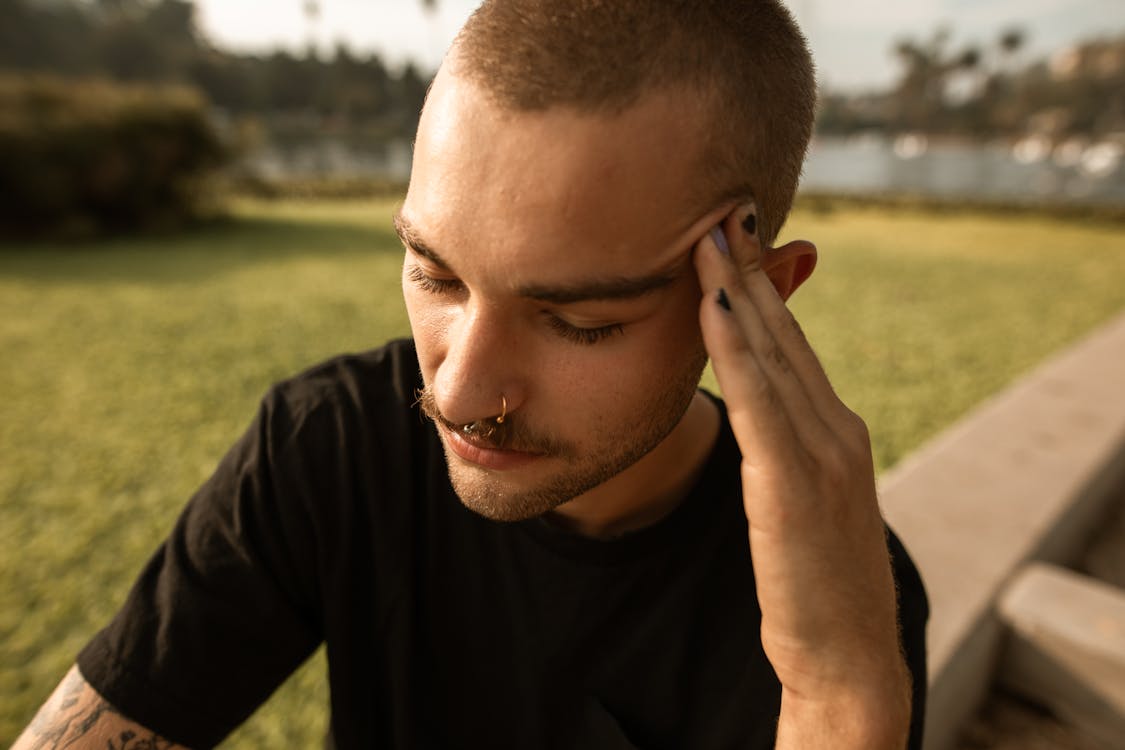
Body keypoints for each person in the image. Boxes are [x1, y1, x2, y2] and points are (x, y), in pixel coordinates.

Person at [15, 1, 928, 748]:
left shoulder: (831, 593)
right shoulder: (332, 446)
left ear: (759, 294)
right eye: (434, 274)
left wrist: (839, 695)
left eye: (579, 322)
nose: (453, 396)